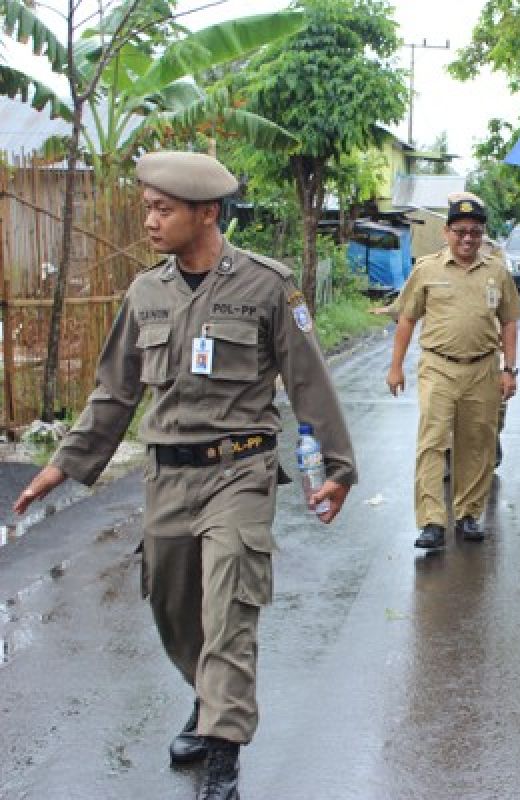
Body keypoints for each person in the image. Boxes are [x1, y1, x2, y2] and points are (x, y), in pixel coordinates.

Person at [12, 151, 357, 800]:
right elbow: (113, 394)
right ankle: (207, 697)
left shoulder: (265, 285)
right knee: (175, 612)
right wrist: (60, 466)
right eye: (147, 207)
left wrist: (336, 467)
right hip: (166, 478)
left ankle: (223, 752)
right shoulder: (147, 292)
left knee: (230, 606)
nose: (149, 220)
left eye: (162, 209)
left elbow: (308, 382)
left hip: (241, 472)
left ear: (208, 213)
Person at [386, 193, 520, 549]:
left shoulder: (497, 272)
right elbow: (407, 319)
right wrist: (395, 367)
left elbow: (509, 322)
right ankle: (431, 520)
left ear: (483, 235)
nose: (467, 239)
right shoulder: (427, 269)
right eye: (460, 231)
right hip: (438, 367)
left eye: (475, 233)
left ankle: (468, 514)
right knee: (432, 441)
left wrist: (510, 369)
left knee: (477, 442)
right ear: (446, 232)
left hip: (483, 369)